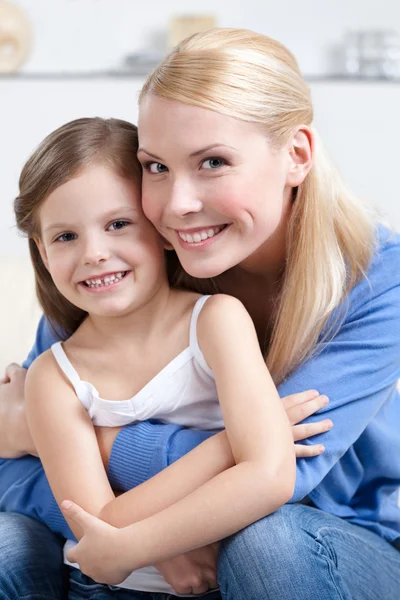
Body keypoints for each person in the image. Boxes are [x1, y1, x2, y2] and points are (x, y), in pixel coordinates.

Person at [1, 26, 399, 600]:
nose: (176, 205)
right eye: (156, 167)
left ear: (296, 155)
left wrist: (97, 443)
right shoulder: (128, 264)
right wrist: (153, 535)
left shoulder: (379, 280)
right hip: (125, 553)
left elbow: (290, 472)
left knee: (269, 543)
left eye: (213, 161)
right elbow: (16, 471)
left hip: (330, 536)